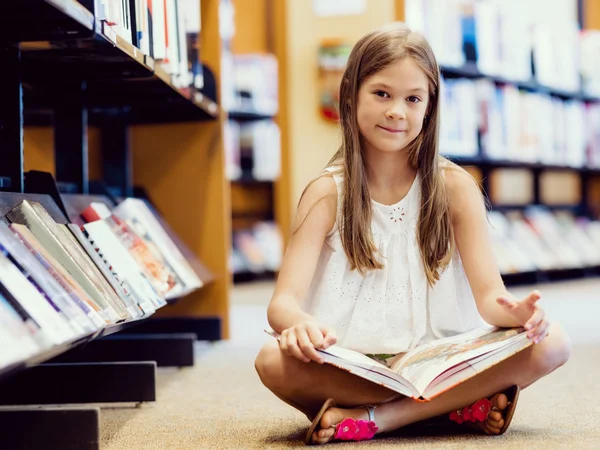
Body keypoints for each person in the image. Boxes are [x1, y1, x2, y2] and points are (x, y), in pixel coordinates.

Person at [254, 22, 571, 446]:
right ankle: (451, 408)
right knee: (271, 360)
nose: (396, 111)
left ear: (429, 107)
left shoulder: (455, 187)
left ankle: (381, 420)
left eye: (412, 99)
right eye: (381, 93)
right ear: (350, 94)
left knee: (553, 343)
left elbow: (489, 296)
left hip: (440, 357)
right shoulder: (327, 193)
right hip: (356, 364)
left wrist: (515, 313)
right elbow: (283, 303)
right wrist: (299, 324)